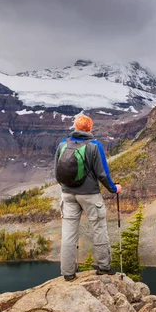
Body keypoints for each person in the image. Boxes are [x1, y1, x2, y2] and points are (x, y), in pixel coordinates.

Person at [55, 114, 121, 281]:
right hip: (90, 195)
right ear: (89, 128)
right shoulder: (94, 146)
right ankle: (104, 267)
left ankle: (68, 273)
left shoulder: (63, 144)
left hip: (67, 194)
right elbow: (102, 173)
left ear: (76, 128)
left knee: (69, 232)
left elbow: (57, 172)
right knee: (99, 228)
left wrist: (67, 187)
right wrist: (114, 189)